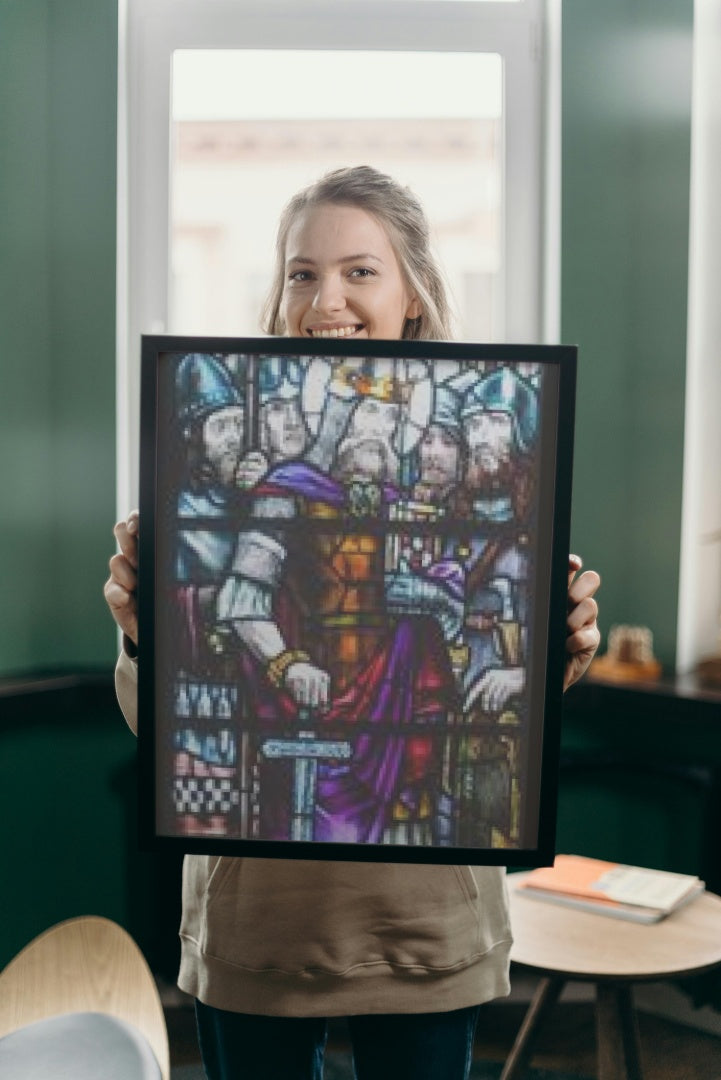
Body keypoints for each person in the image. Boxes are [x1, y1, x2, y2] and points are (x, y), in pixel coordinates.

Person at [105, 165, 601, 1080]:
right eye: (301, 272)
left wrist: (550, 649)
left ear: (412, 291)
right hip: (262, 920)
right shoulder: (267, 498)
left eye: (359, 271)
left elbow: (494, 690)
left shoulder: (473, 495)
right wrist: (152, 635)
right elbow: (174, 703)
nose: (324, 297)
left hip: (422, 914)